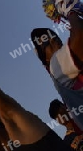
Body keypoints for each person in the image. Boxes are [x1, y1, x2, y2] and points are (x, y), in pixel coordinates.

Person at [31, 0, 83, 131]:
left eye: (53, 36)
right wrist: (70, 10)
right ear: (46, 59)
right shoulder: (56, 66)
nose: (53, 39)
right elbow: (80, 35)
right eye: (46, 43)